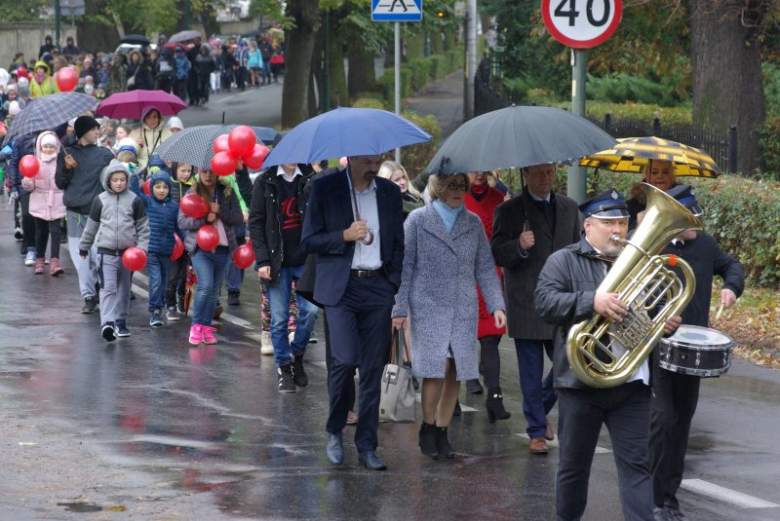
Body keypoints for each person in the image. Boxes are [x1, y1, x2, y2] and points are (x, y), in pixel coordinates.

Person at [535, 188, 682, 521]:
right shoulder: (564, 260)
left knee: (637, 466)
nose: (617, 230)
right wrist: (591, 301)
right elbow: (544, 303)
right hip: (580, 383)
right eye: (608, 223)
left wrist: (665, 321)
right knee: (574, 466)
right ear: (588, 226)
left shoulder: (641, 263)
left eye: (622, 222)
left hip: (631, 384)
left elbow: (653, 311)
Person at [301, 154, 405, 471]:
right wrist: (343, 236)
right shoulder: (326, 188)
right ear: (353, 159)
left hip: (378, 288)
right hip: (341, 288)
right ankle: (334, 428)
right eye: (368, 162)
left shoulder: (388, 192)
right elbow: (308, 241)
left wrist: (393, 282)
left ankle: (367, 445)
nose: (373, 167)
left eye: (378, 161)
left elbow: (398, 242)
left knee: (373, 368)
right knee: (344, 360)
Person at [392, 173, 506, 459]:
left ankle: (443, 432)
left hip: (463, 306)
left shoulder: (473, 222)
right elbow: (405, 267)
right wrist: (399, 308)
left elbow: (484, 266)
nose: (457, 191)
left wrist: (497, 305)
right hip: (427, 303)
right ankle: (428, 426)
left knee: (457, 369)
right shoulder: (418, 220)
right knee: (436, 368)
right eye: (451, 186)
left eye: (461, 186)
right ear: (438, 188)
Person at [649, 185, 744, 521]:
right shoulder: (654, 245)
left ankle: (669, 500)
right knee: (662, 420)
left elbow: (731, 265)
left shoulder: (704, 245)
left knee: (680, 426)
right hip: (655, 348)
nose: (699, 223)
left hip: (691, 354)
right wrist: (657, 318)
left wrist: (732, 287)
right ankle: (651, 496)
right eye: (692, 217)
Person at [491, 163, 580, 453]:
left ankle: (539, 410)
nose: (546, 178)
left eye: (550, 172)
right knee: (530, 372)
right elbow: (498, 252)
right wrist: (518, 244)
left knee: (568, 362)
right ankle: (536, 432)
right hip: (526, 301)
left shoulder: (569, 207)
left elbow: (580, 248)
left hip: (562, 300)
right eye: (539, 173)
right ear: (525, 175)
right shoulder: (509, 210)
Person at [247, 162, 318, 393]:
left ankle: (296, 355)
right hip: (277, 261)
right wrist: (263, 261)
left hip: (305, 258)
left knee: (311, 311)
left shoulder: (309, 177)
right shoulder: (265, 180)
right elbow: (256, 222)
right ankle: (284, 367)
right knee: (278, 319)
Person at [78, 160, 150, 341]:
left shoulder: (135, 200)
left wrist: (142, 250)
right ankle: (107, 323)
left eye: (122, 179)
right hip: (106, 251)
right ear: (107, 181)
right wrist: (84, 246)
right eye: (115, 180)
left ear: (127, 181)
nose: (118, 183)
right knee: (108, 288)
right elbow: (91, 227)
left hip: (129, 255)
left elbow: (143, 228)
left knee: (124, 289)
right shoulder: (100, 200)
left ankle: (121, 321)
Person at [56, 116, 115, 314]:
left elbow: (115, 179)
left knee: (98, 257)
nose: (97, 132)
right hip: (74, 214)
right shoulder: (67, 153)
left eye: (98, 129)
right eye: (93, 129)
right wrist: (66, 168)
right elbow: (60, 184)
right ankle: (89, 296)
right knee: (81, 259)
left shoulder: (104, 154)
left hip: (97, 214)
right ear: (82, 132)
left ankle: (100, 286)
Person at [463, 171, 511, 417]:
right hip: (462, 273)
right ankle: (468, 377)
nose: (479, 173)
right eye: (473, 169)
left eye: (483, 168)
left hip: (491, 272)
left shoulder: (500, 198)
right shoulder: (456, 197)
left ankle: (495, 395)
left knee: (491, 335)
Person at [178, 168, 243, 345]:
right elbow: (182, 222)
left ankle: (206, 327)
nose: (208, 176)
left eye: (212, 172)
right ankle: (196, 326)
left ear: (218, 173)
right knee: (205, 286)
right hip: (200, 249)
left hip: (222, 248)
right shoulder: (193, 193)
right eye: (204, 172)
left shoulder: (227, 191)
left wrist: (220, 211)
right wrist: (204, 218)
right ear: (199, 173)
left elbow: (238, 219)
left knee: (214, 291)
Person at [130, 170, 180, 327]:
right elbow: (135, 193)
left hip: (167, 251)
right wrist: (133, 176)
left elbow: (179, 228)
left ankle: (160, 304)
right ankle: (155, 312)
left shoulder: (173, 206)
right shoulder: (148, 202)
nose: (161, 190)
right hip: (151, 250)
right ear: (152, 188)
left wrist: (189, 244)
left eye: (165, 187)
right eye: (158, 187)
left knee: (163, 283)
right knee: (156, 281)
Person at [20, 131, 66, 275]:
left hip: (57, 200)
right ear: (40, 147)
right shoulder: (35, 161)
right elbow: (30, 185)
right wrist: (27, 182)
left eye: (51, 147)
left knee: (56, 231)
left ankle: (54, 261)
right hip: (39, 200)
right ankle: (40, 260)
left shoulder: (61, 162)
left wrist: (70, 166)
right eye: (45, 146)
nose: (48, 149)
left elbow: (65, 180)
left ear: (56, 147)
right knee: (41, 232)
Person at [165, 162, 194, 320]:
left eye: (189, 171)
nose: (185, 174)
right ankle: (170, 305)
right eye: (182, 170)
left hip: (189, 237)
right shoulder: (168, 186)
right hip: (173, 239)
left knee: (186, 275)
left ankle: (183, 300)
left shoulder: (194, 188)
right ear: (175, 170)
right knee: (172, 276)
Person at [627, 159, 679, 229]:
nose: (660, 176)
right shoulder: (632, 205)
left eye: (665, 172)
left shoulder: (683, 202)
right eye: (654, 172)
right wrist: (637, 224)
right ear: (647, 176)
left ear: (672, 176)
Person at [129, 106, 172, 171]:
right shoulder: (135, 133)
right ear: (144, 119)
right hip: (140, 170)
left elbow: (174, 153)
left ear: (159, 118)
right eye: (148, 117)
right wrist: (137, 146)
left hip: (162, 170)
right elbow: (128, 156)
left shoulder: (168, 133)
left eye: (154, 117)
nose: (152, 120)